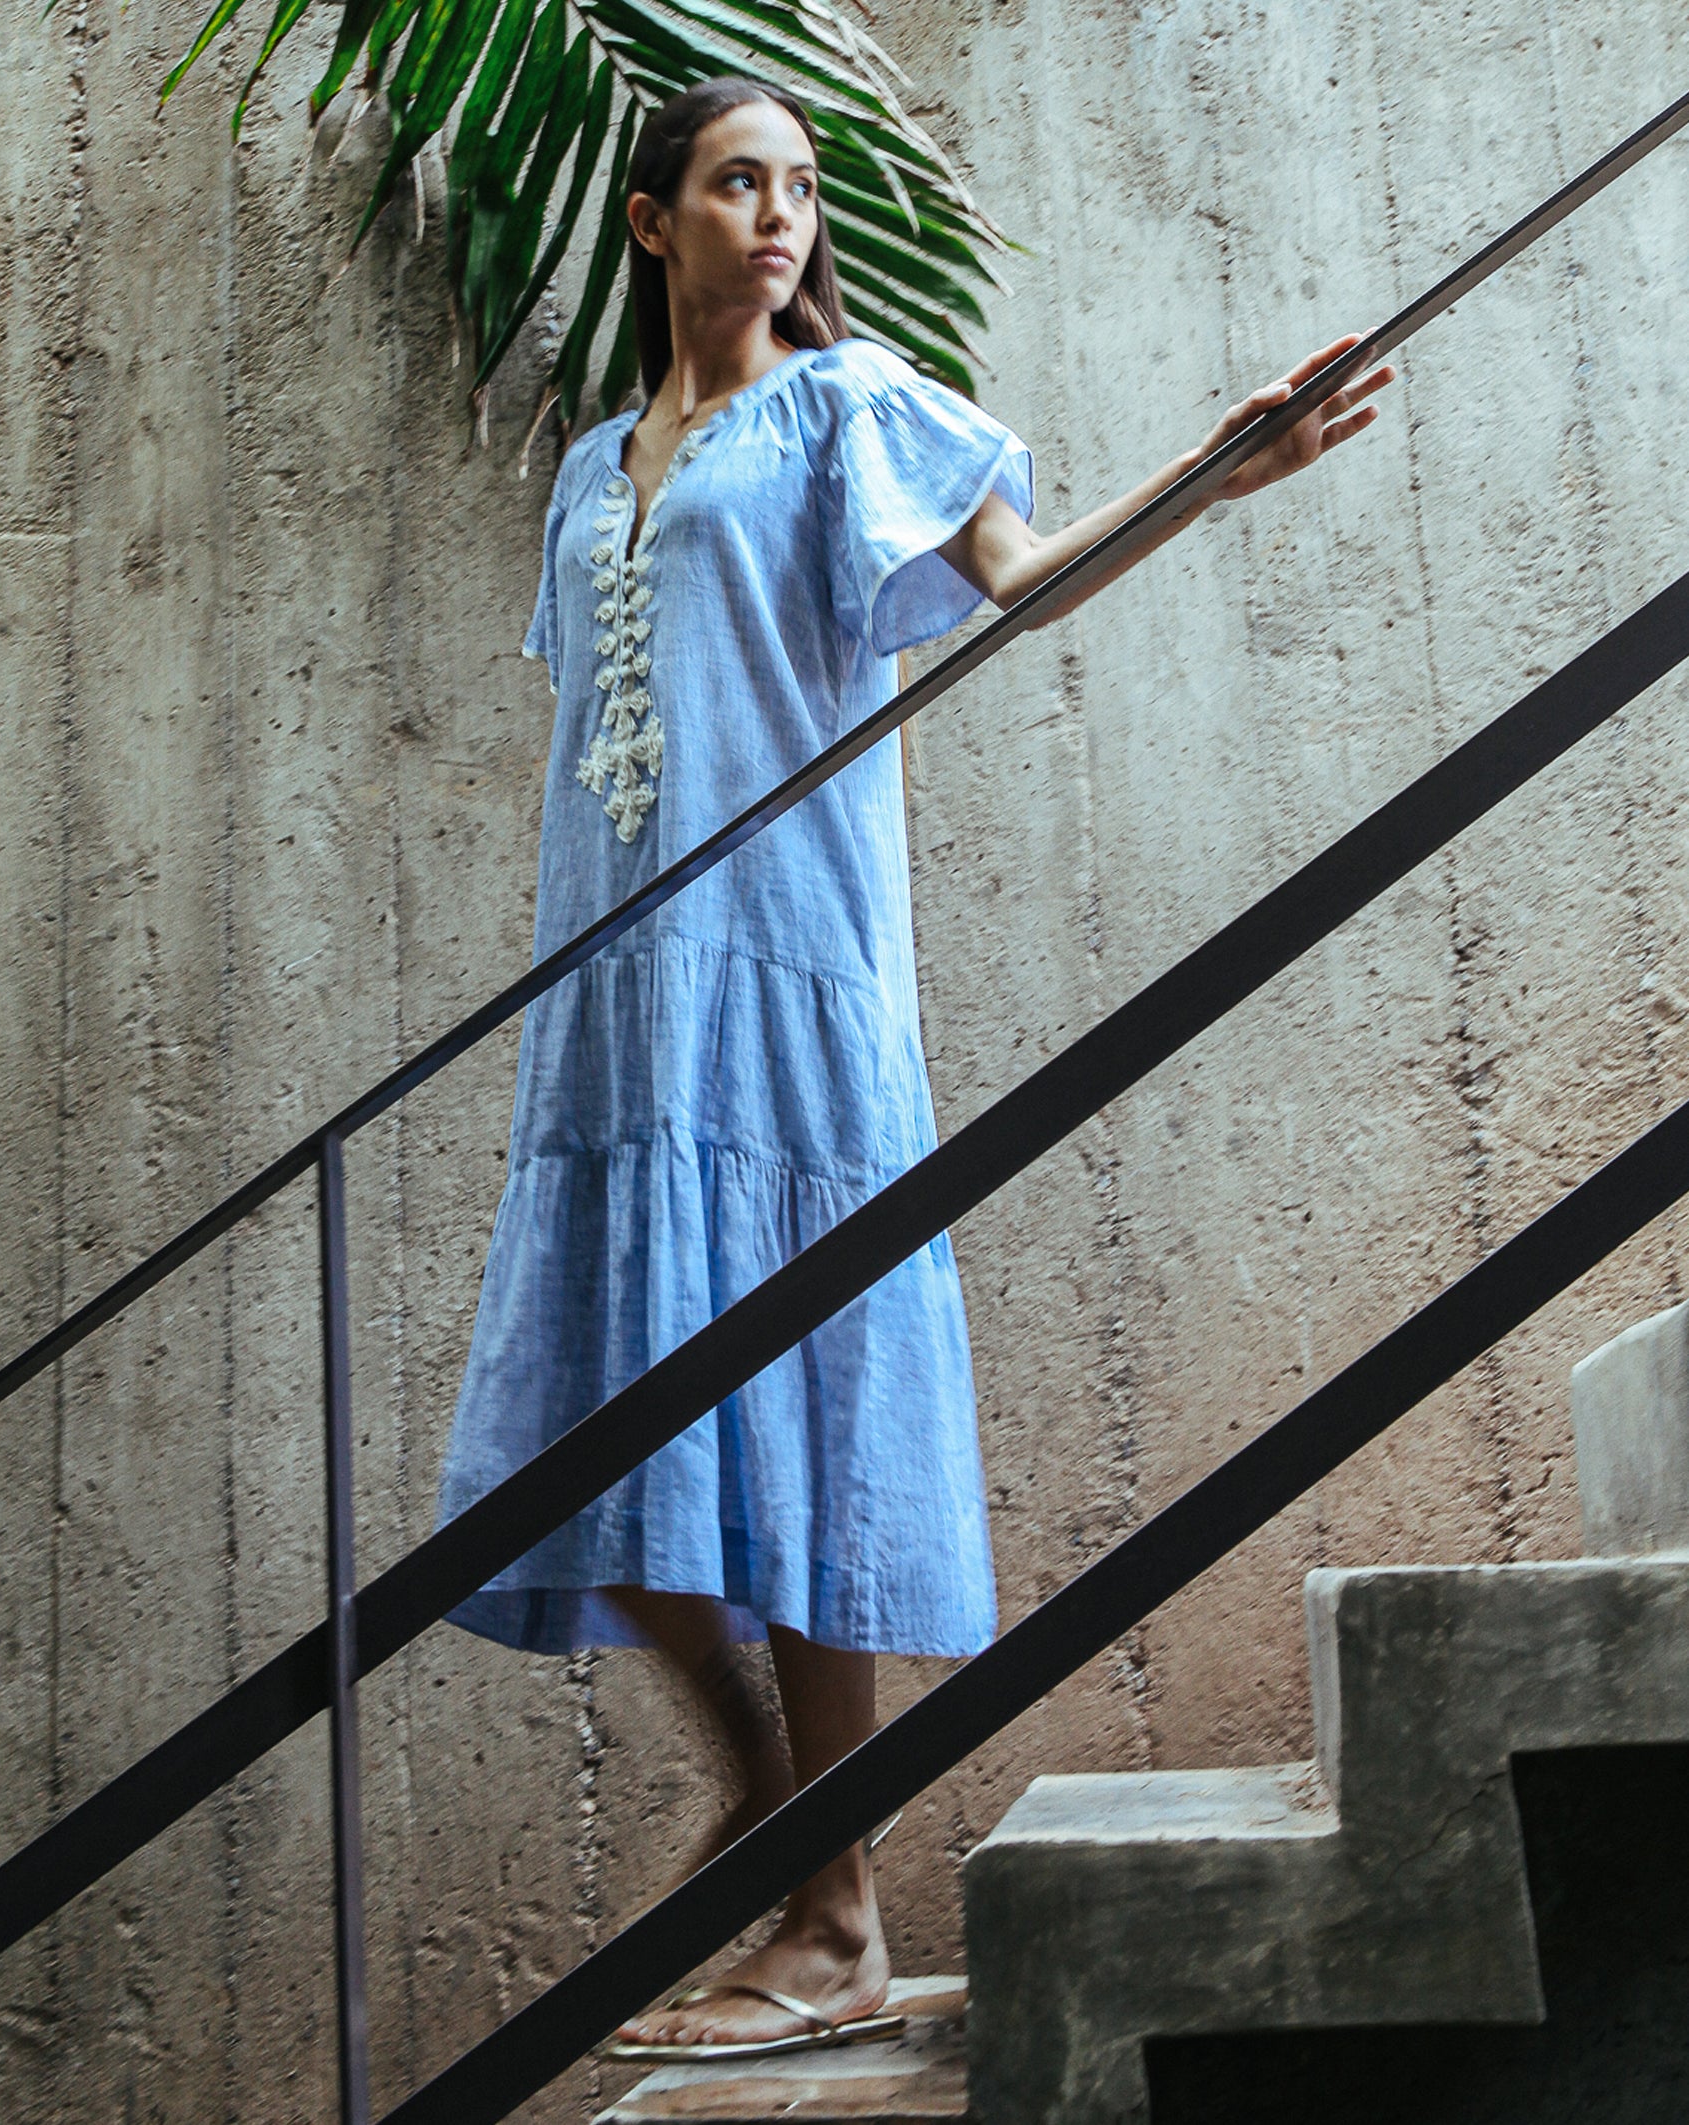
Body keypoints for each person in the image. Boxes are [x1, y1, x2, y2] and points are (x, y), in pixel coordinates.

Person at [434, 73, 1393, 2060]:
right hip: (618, 998)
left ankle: (836, 1902)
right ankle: (797, 1839)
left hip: (786, 976)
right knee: (593, 1433)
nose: (775, 212)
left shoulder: (848, 408)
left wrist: (1215, 474)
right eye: (734, 181)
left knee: (792, 1398)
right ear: (650, 220)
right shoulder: (594, 469)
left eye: (794, 183)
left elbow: (1018, 582)